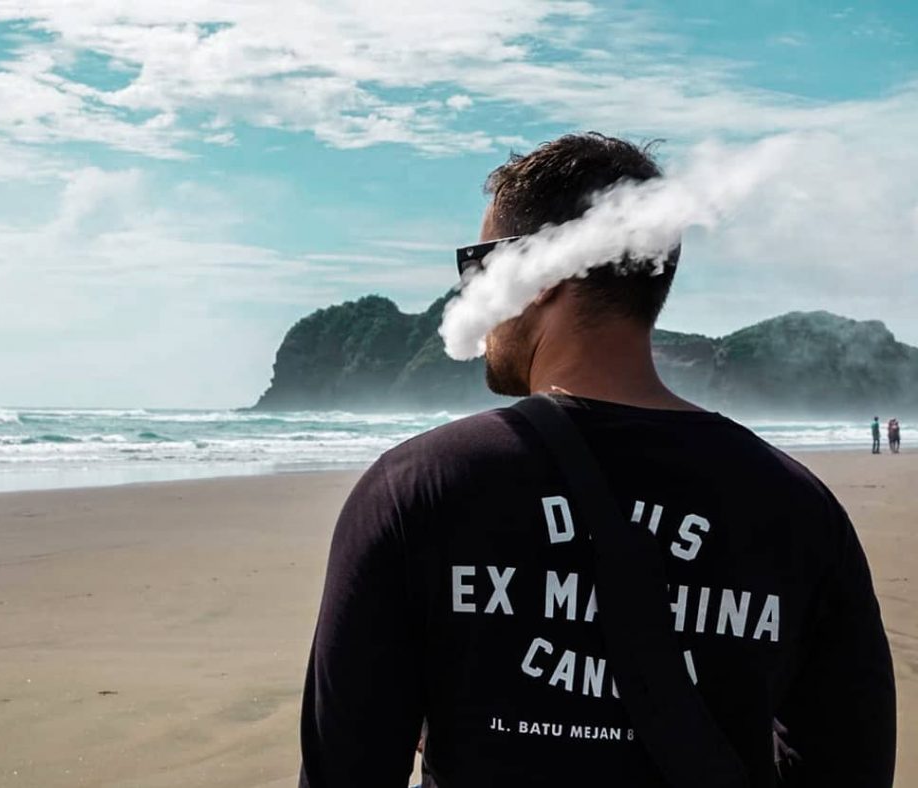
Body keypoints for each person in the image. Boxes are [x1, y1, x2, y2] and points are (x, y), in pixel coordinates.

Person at [299, 133, 896, 787]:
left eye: (478, 267)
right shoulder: (797, 511)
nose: (471, 297)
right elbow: (851, 766)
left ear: (538, 275)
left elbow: (343, 772)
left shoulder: (415, 491)